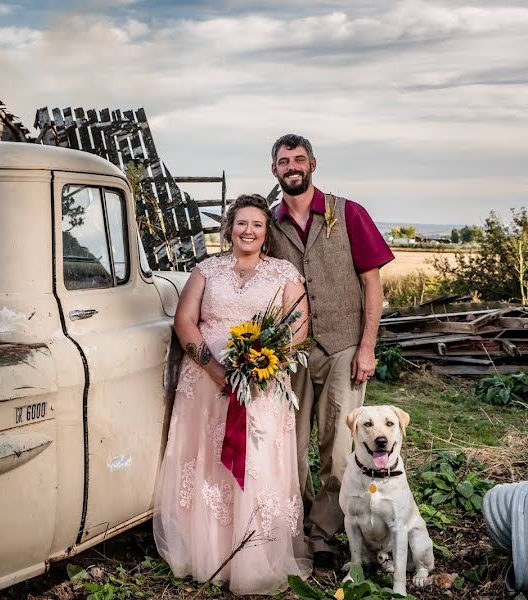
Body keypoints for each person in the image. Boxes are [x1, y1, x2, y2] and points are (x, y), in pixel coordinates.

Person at [153, 194, 312, 595]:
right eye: (241, 223)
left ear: (266, 232)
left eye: (257, 225)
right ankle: (204, 552)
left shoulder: (284, 273)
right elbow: (184, 320)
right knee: (204, 460)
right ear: (229, 228)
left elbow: (298, 327)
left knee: (255, 460)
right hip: (204, 385)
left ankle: (252, 557)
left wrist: (266, 363)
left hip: (261, 384)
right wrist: (215, 369)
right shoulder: (207, 269)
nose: (248, 231)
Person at [267, 134, 395, 570]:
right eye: (284, 161)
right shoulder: (269, 223)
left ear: (313, 164)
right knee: (290, 445)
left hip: (344, 346)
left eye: (299, 159)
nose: (292, 166)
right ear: (275, 171)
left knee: (338, 448)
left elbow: (371, 283)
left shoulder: (349, 213)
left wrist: (367, 347)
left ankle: (324, 535)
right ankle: (297, 521)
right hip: (291, 352)